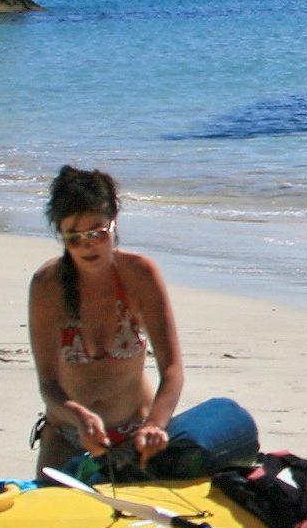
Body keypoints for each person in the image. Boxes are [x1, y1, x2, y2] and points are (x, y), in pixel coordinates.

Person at [30, 165, 193, 479]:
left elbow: (172, 370)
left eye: (97, 233)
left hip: (139, 434)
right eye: (74, 238)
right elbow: (48, 385)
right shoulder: (47, 286)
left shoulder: (140, 275)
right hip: (67, 433)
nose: (88, 245)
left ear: (113, 222)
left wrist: (156, 426)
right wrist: (77, 416)